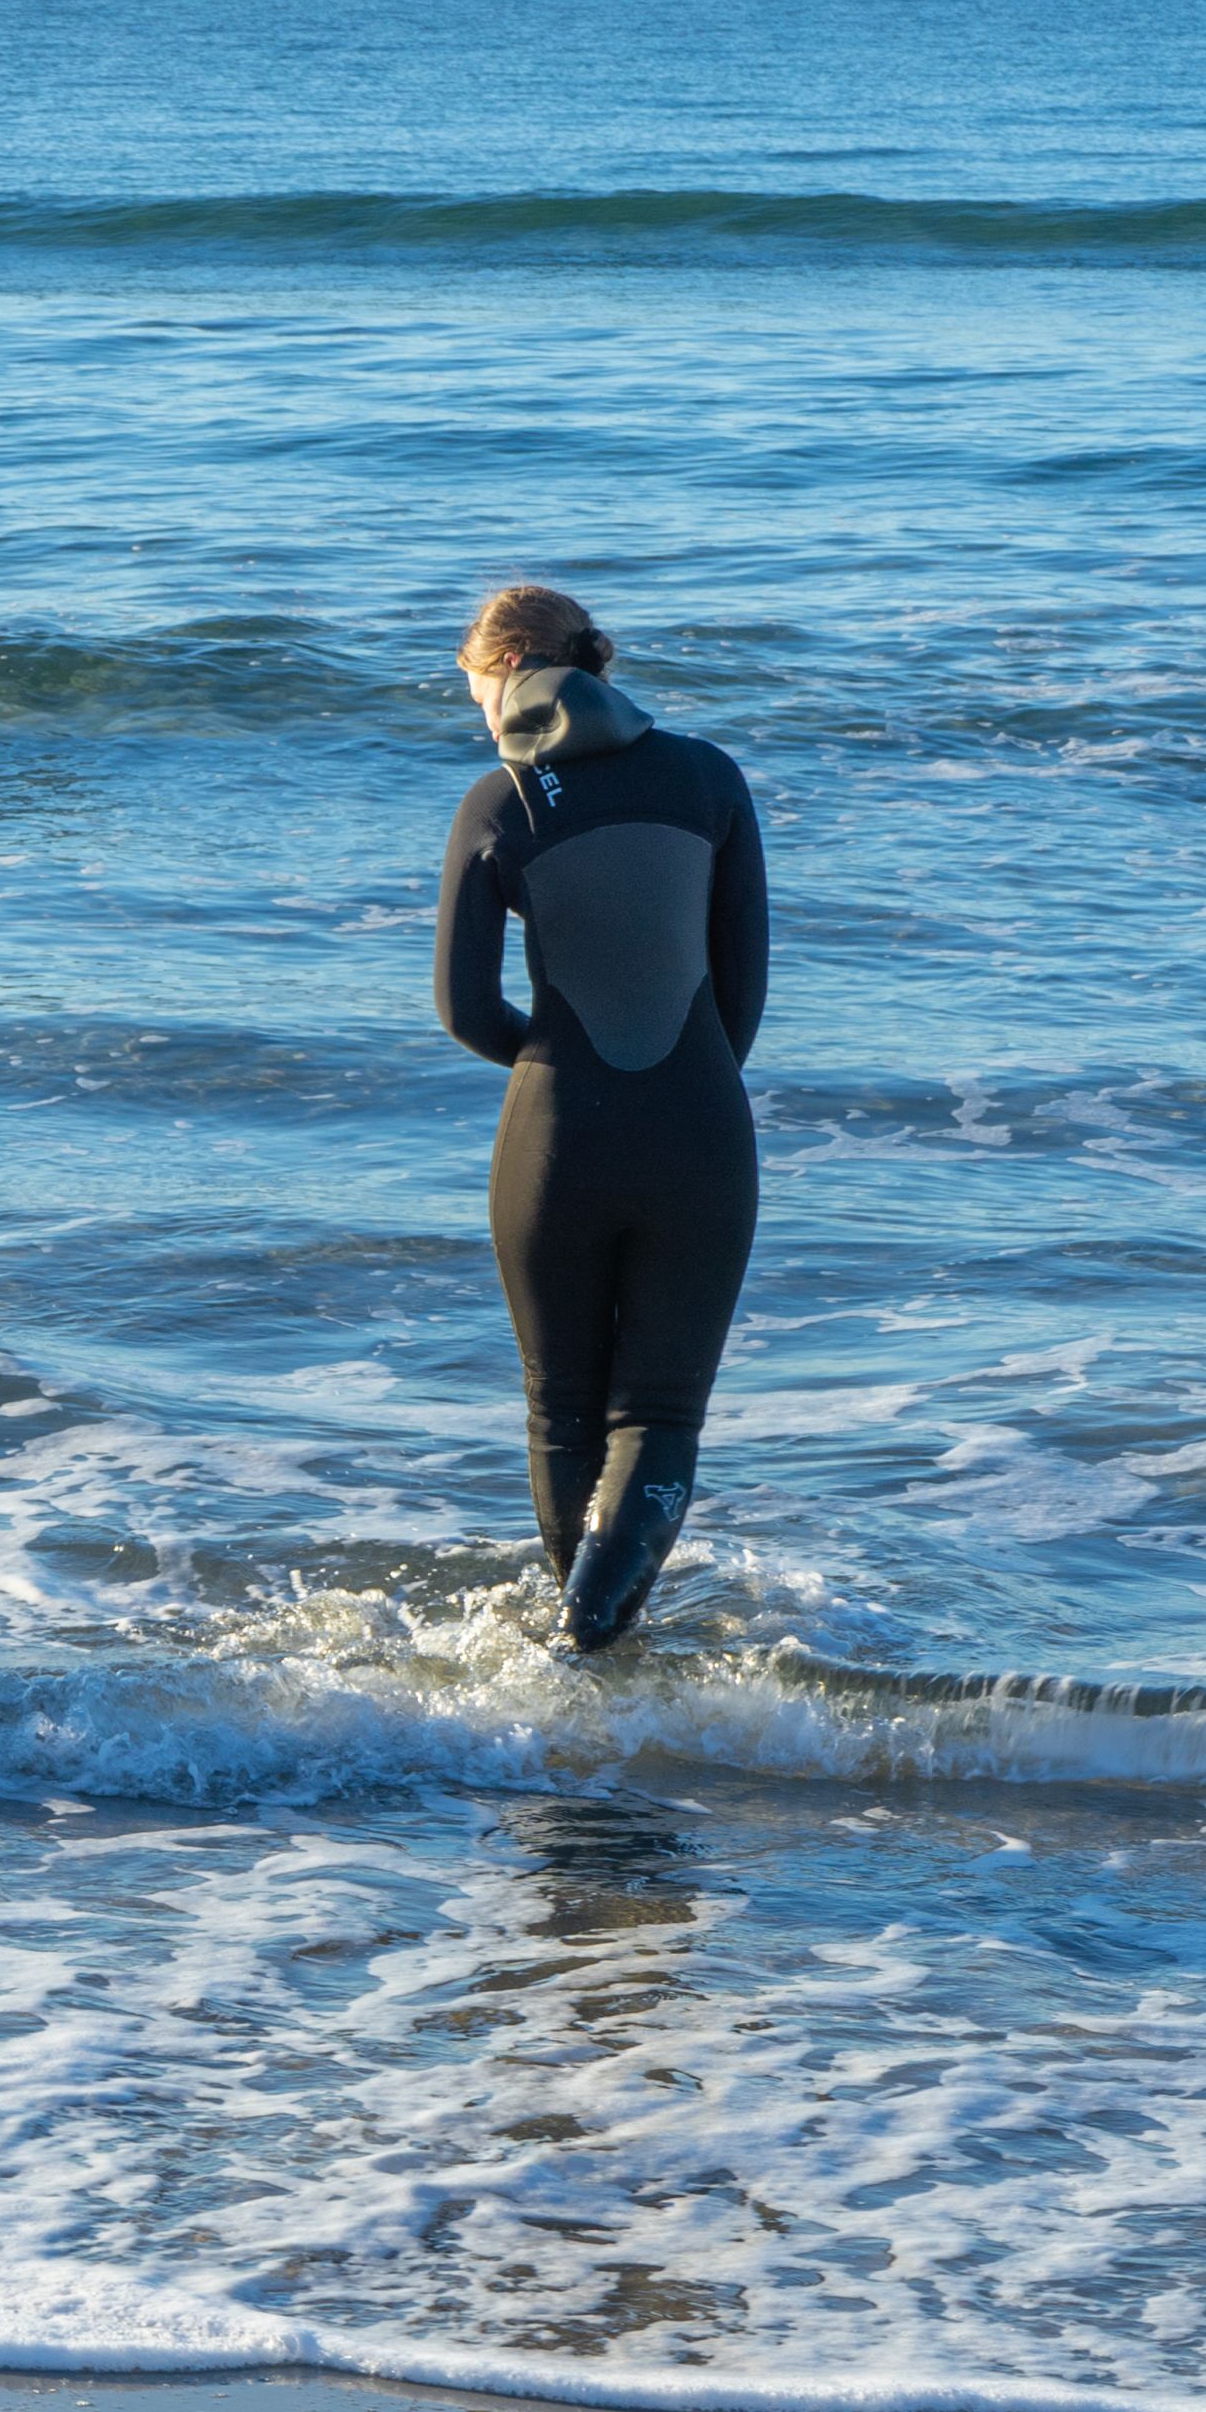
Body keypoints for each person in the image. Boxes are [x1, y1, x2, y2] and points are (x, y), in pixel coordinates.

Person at [434, 584, 767, 1650]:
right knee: (658, 1416)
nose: (479, 712)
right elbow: (739, 992)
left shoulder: (499, 801)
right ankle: (599, 1629)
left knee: (561, 1408)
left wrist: (554, 1064)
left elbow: (465, 1008)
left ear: (510, 670)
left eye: (475, 687)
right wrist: (681, 1087)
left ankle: (578, 1650)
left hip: (554, 1138)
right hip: (698, 1129)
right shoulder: (711, 778)